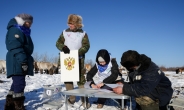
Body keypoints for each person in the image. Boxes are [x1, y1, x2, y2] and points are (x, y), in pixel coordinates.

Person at [56, 14, 90, 108]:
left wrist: (78, 53)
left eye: (72, 24)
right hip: (67, 60)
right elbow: (58, 43)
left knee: (81, 80)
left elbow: (86, 46)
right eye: (69, 23)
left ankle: (84, 100)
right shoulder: (64, 32)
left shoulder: (83, 33)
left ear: (77, 24)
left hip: (79, 60)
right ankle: (72, 99)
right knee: (68, 79)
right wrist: (63, 47)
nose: (69, 25)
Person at [4, 13, 34, 110]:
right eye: (29, 23)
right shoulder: (15, 29)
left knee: (16, 83)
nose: (30, 25)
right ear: (25, 22)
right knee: (19, 83)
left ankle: (10, 105)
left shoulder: (22, 30)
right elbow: (15, 46)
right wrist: (23, 61)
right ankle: (18, 107)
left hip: (19, 60)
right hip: (17, 60)